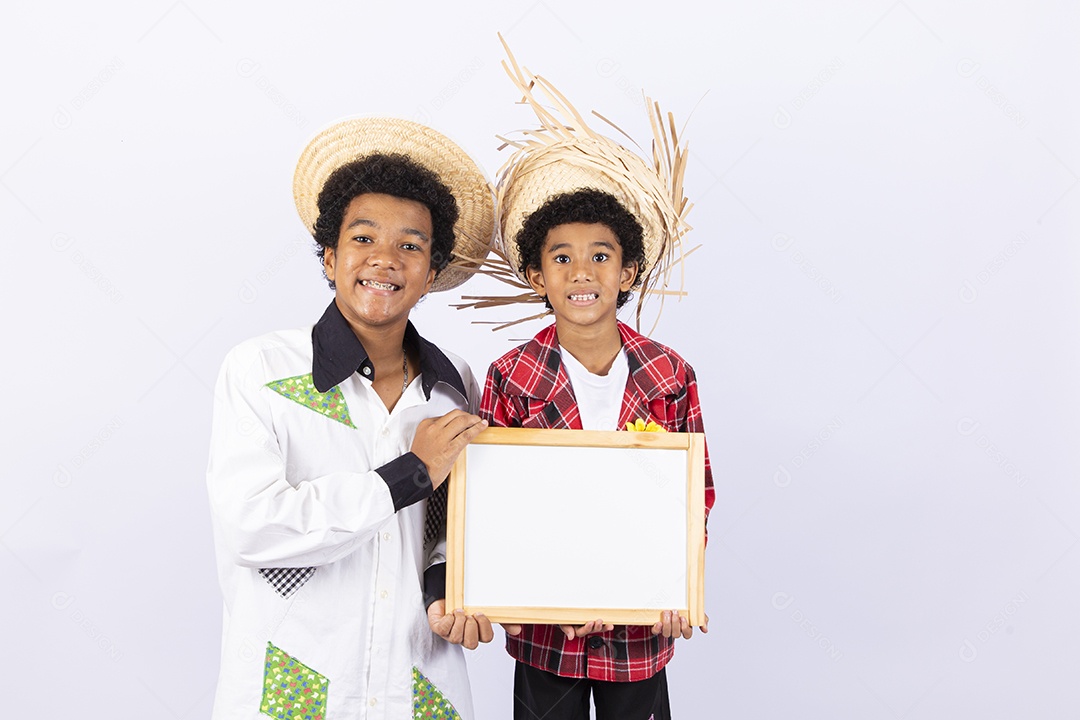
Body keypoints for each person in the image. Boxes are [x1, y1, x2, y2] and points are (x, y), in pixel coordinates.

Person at [206, 117, 494, 719]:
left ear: (432, 272)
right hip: (294, 689)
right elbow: (254, 528)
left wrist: (450, 590)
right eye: (364, 240)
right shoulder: (261, 370)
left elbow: (451, 528)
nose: (385, 259)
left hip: (418, 685)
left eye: (410, 245)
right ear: (330, 256)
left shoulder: (454, 385)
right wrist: (409, 473)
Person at [474, 44, 715, 720]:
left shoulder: (669, 375)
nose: (582, 273)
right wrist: (539, 590)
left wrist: (675, 582)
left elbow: (694, 493)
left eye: (600, 257)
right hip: (546, 629)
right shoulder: (512, 376)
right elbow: (500, 498)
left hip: (641, 629)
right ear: (536, 277)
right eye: (562, 258)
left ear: (628, 273)